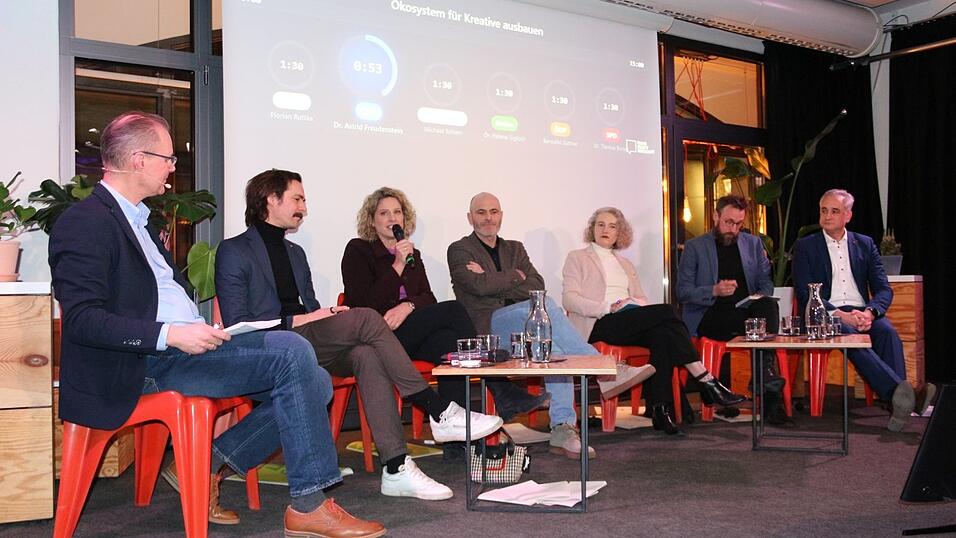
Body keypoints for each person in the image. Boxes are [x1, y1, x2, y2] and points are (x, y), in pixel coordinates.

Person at [49, 112, 384, 537]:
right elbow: (81, 320)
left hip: (180, 350)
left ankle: (207, 464)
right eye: (167, 158)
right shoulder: (85, 223)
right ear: (138, 160)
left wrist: (195, 330)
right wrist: (170, 333)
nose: (173, 166)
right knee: (293, 352)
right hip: (139, 363)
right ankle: (309, 504)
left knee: (314, 382)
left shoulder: (140, 221)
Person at [216, 171, 504, 500]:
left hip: (311, 341)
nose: (304, 208)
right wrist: (306, 318)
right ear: (271, 199)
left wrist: (324, 314)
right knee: (366, 318)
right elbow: (238, 324)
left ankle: (396, 467)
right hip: (269, 344)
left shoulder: (295, 254)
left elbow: (313, 306)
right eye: (297, 199)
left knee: (368, 354)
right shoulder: (234, 250)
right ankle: (438, 410)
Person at [340, 187, 547, 460]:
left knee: (450, 345)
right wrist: (398, 266)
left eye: (397, 212)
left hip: (409, 332)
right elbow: (362, 302)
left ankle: (458, 443)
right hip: (378, 335)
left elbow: (428, 297)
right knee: (455, 309)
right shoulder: (359, 250)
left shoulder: (413, 254)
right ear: (372, 219)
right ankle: (499, 386)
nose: (392, 218)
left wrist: (408, 305)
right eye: (384, 213)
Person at [447, 193, 651, 458]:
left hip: (527, 330)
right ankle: (603, 367)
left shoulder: (515, 248)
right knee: (539, 305)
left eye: (494, 212)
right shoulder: (459, 249)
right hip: (491, 329)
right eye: (481, 212)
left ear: (501, 215)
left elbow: (536, 284)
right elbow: (477, 286)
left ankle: (563, 428)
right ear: (470, 217)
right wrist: (514, 276)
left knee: (553, 346)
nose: (488, 218)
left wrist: (493, 279)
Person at [562, 207, 746, 435]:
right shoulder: (578, 257)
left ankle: (660, 409)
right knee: (668, 312)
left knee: (663, 334)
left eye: (612, 226)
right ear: (592, 229)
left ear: (620, 233)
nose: (605, 230)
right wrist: (606, 307)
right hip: (599, 322)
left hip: (627, 319)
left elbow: (641, 298)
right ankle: (704, 378)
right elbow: (569, 299)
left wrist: (631, 303)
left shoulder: (625, 264)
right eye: (600, 224)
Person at [792, 188, 934, 431]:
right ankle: (901, 398)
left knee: (886, 331)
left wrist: (870, 313)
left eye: (834, 211)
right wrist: (840, 314)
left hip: (862, 311)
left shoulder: (865, 244)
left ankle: (899, 401)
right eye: (823, 211)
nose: (827, 216)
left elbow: (883, 289)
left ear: (848, 215)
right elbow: (806, 293)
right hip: (825, 314)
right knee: (851, 336)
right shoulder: (806, 246)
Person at [677, 195, 789, 425]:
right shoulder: (695, 247)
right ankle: (768, 392)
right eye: (729, 222)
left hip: (746, 310)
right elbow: (683, 291)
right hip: (711, 313)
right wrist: (714, 290)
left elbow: (766, 283)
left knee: (767, 304)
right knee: (758, 325)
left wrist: (756, 296)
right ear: (716, 216)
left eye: (739, 224)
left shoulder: (753, 244)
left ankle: (763, 379)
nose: (733, 229)